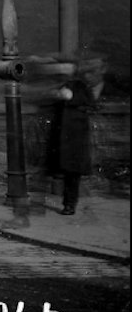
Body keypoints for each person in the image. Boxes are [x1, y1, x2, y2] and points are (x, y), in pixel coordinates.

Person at [46, 55, 103, 215]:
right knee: (63, 170)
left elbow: (91, 104)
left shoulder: (81, 86)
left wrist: (68, 98)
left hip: (75, 136)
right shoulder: (62, 85)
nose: (64, 71)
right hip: (61, 135)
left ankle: (69, 204)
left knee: (72, 172)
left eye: (68, 68)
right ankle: (67, 202)